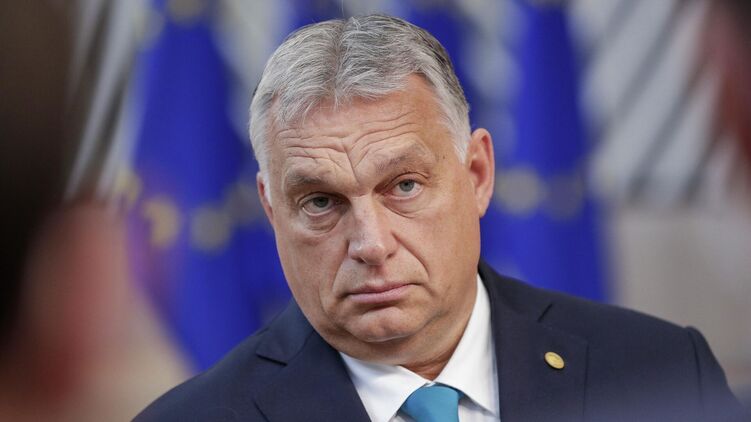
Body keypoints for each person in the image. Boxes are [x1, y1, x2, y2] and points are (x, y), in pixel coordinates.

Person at [136, 14, 747, 421]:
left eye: (404, 186)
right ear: (272, 210)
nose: (370, 244)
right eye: (320, 202)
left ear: (477, 174)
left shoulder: (664, 374)